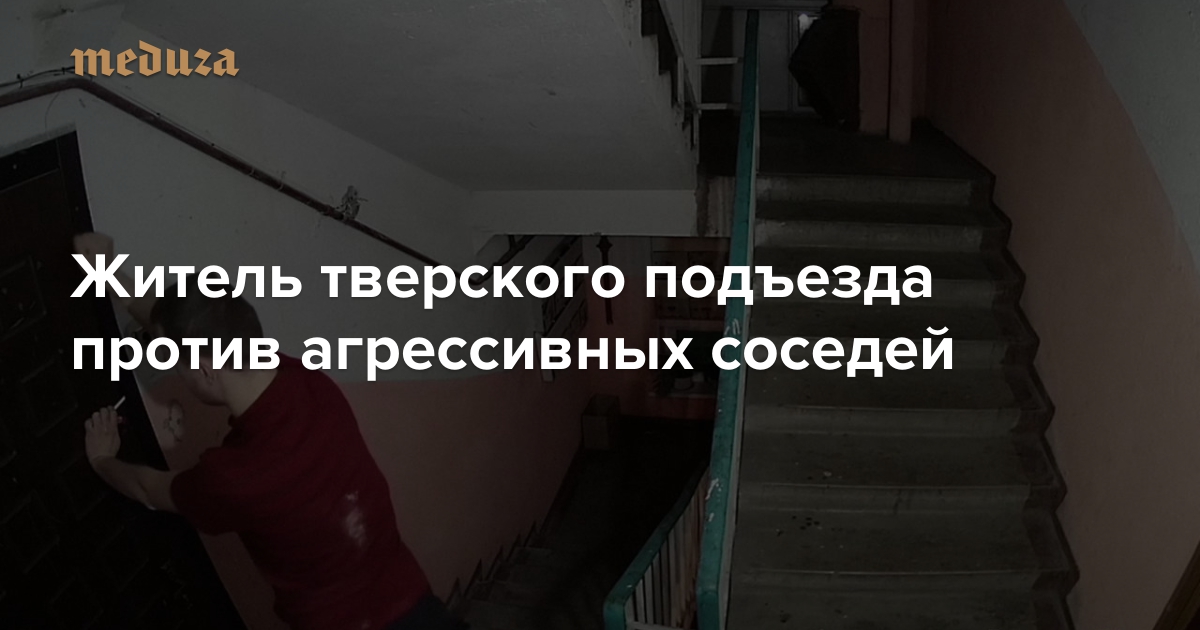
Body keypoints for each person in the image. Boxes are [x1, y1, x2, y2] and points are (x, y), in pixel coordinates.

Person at [74, 233, 467, 630]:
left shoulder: (234, 476)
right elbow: (193, 330)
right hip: (420, 607)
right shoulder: (308, 380)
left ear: (205, 370)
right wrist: (107, 272)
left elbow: (148, 489)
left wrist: (102, 459)